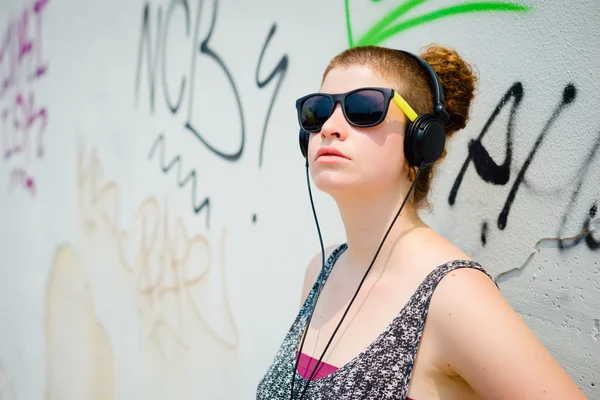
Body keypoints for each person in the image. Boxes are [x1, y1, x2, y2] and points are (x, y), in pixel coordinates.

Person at [256, 44, 587, 399]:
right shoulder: (320, 269)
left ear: (420, 142)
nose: (330, 128)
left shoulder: (452, 295)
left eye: (363, 108)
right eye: (317, 111)